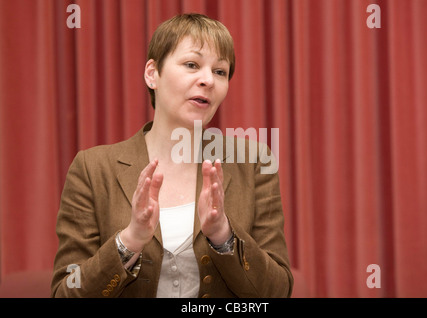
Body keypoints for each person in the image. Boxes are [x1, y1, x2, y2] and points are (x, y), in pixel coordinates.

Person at [51, 13, 293, 298]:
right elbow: (66, 292)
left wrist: (223, 235)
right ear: (152, 73)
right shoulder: (92, 169)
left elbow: (278, 291)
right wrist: (130, 240)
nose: (208, 80)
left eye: (220, 71)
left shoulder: (253, 162)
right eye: (192, 65)